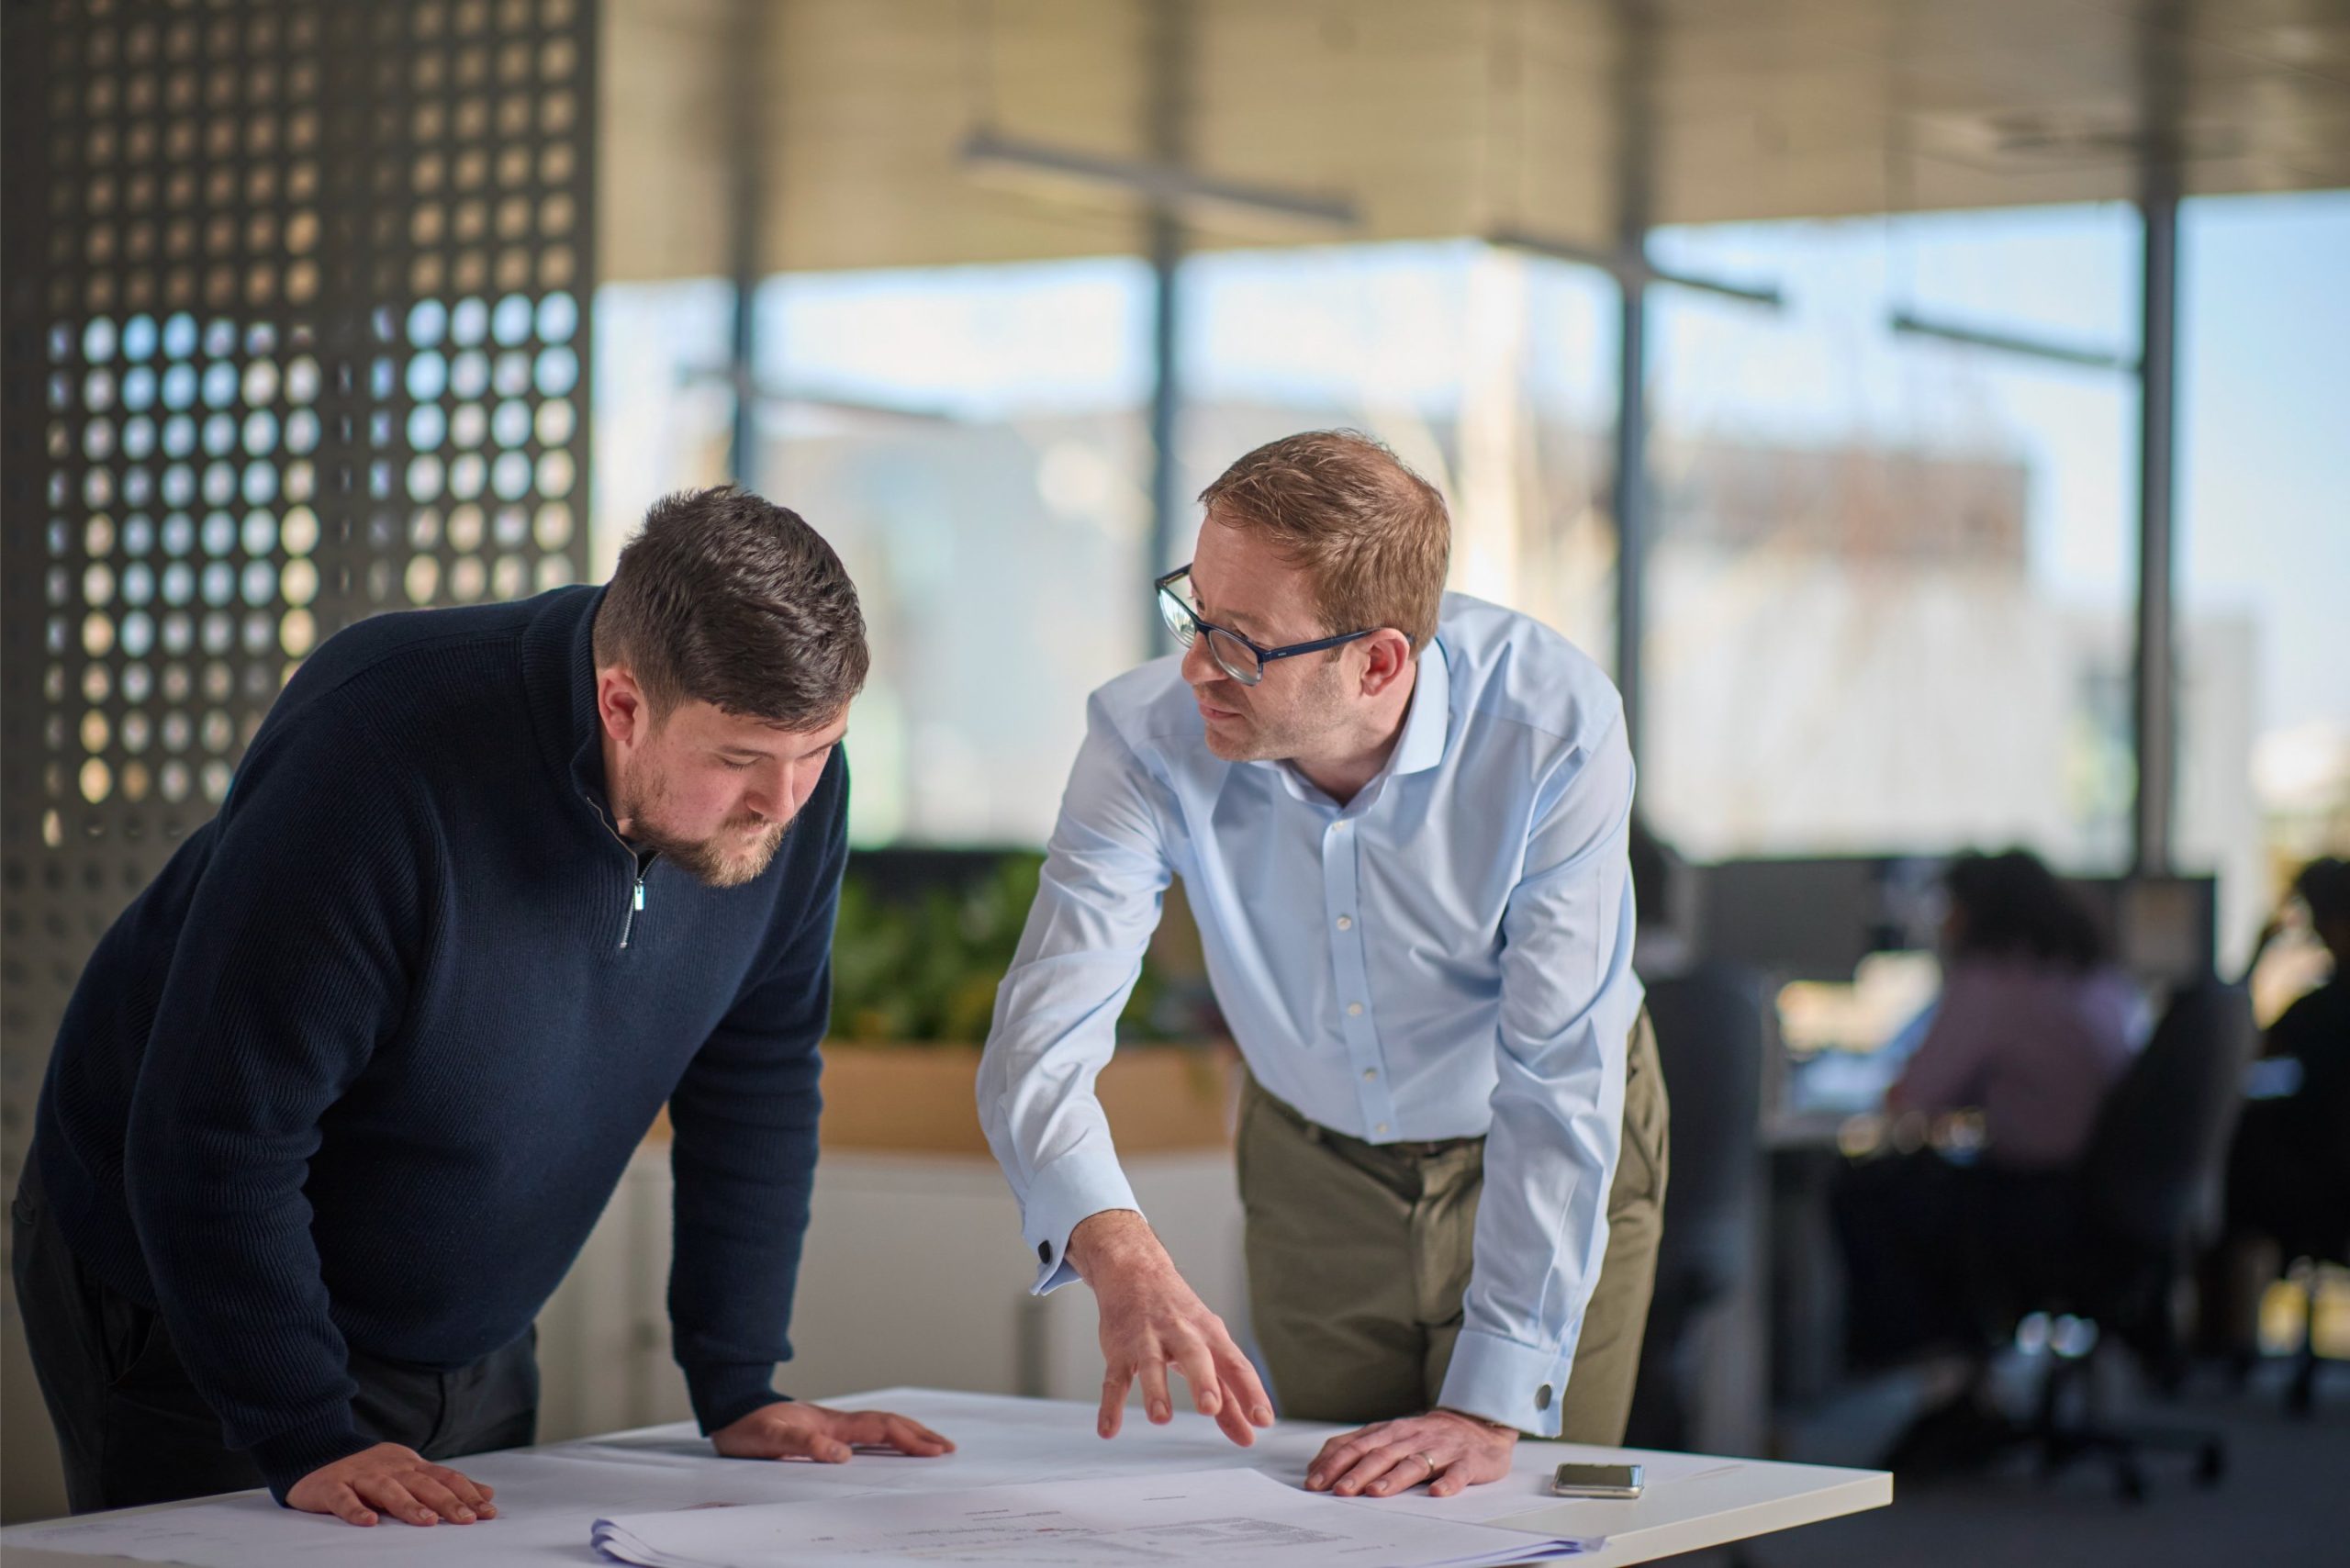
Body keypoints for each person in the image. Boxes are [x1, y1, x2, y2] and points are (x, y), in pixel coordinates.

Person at [11, 487, 952, 1527]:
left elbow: (757, 1074)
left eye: (817, 750)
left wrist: (739, 1382)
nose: (785, 803)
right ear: (623, 704)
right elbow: (214, 1129)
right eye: (739, 762)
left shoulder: (787, 793)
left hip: (469, 1319)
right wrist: (305, 1429)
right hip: (202, 1299)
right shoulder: (378, 747)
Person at [977, 431, 1667, 1501]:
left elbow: (1558, 1070)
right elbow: (1039, 1039)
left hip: (1542, 1141)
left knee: (1512, 1518)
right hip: (1312, 1156)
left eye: (1242, 640)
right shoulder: (1143, 737)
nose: (1196, 663)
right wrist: (1114, 1245)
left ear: (1378, 660)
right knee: (1329, 1519)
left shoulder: (1550, 728)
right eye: (1191, 610)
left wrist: (1491, 1403)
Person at [1831, 849, 2143, 1465]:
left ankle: (1953, 1380)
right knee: (1924, 1189)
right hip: (2101, 1203)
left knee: (1867, 1192)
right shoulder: (2096, 977)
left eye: (1949, 910)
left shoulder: (1996, 980)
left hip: (2039, 1210)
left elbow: (1910, 1099)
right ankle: (1971, 1380)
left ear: (1977, 914)